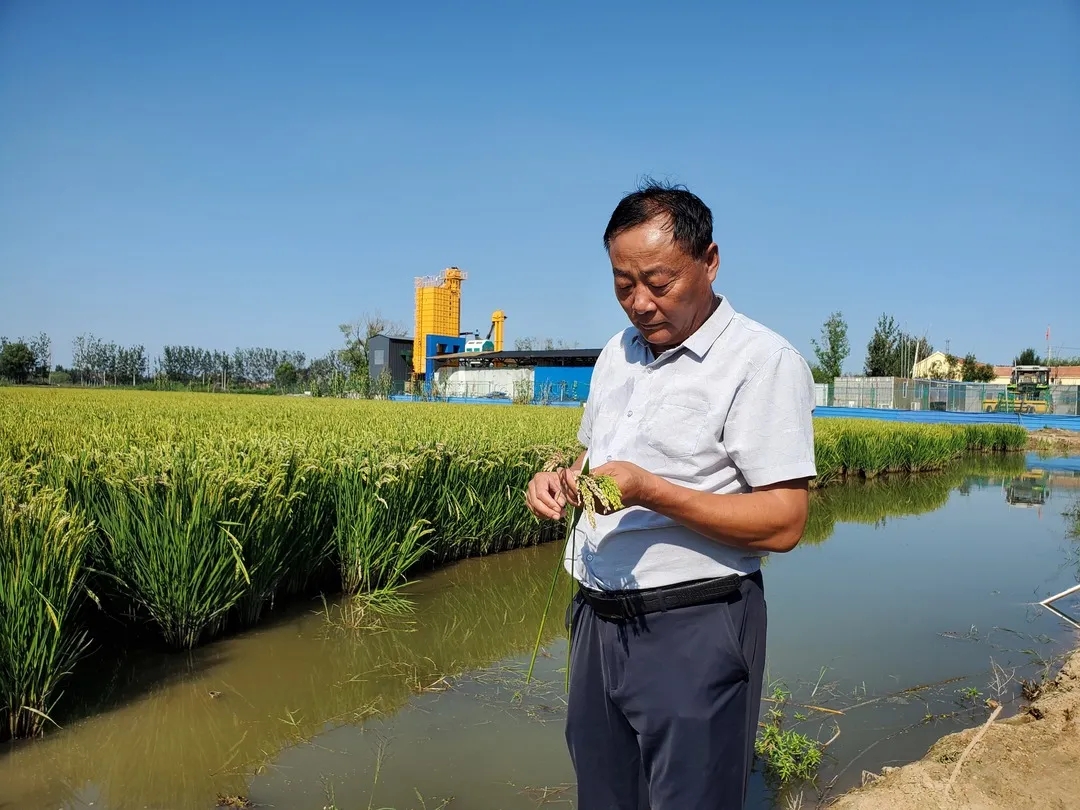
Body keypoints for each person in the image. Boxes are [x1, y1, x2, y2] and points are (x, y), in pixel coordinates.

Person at [525, 180, 817, 809]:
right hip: (597, 616)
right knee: (604, 795)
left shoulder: (761, 362)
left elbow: (785, 522)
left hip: (695, 621)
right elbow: (591, 455)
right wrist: (559, 477)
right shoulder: (615, 353)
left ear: (709, 261)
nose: (640, 303)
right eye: (622, 284)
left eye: (658, 283)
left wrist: (653, 492)